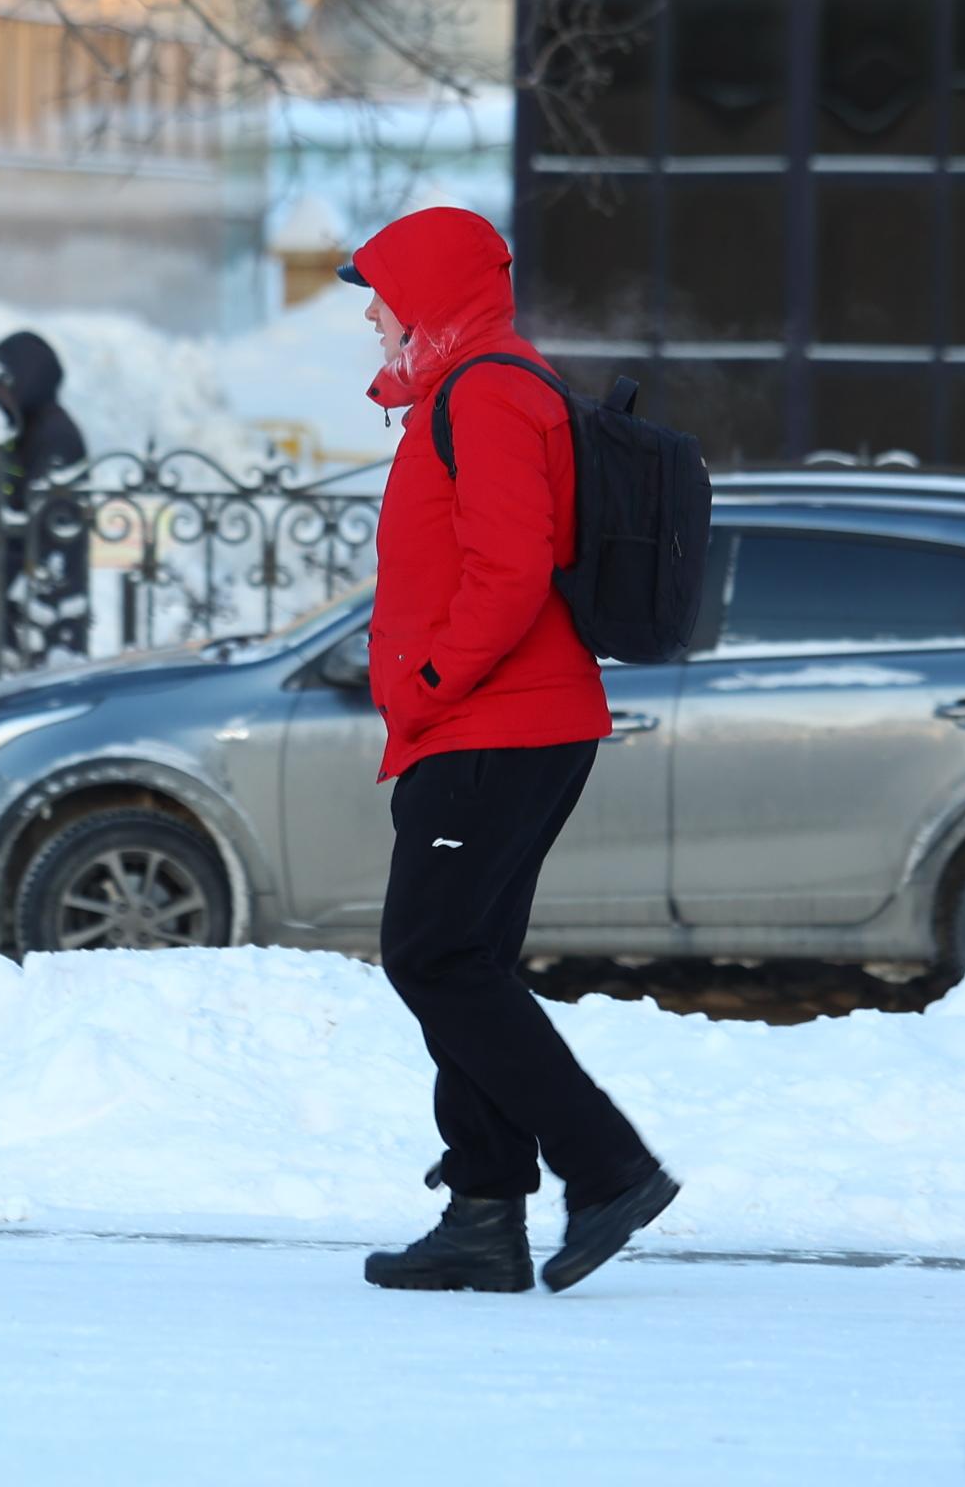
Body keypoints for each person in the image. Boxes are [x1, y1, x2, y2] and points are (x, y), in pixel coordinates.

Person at [344, 206, 678, 1296]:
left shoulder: (487, 390)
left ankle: (608, 1165)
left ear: (430, 291)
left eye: (382, 295)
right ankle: (484, 1212)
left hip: (495, 721)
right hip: (503, 722)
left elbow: (511, 564)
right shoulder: (472, 386)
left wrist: (434, 683)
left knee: (431, 954)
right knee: (462, 963)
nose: (374, 319)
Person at [0, 330, 90, 660]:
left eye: (4, 383)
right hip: (14, 573)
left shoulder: (54, 434)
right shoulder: (21, 428)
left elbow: (51, 522)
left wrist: (11, 568)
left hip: (43, 589)